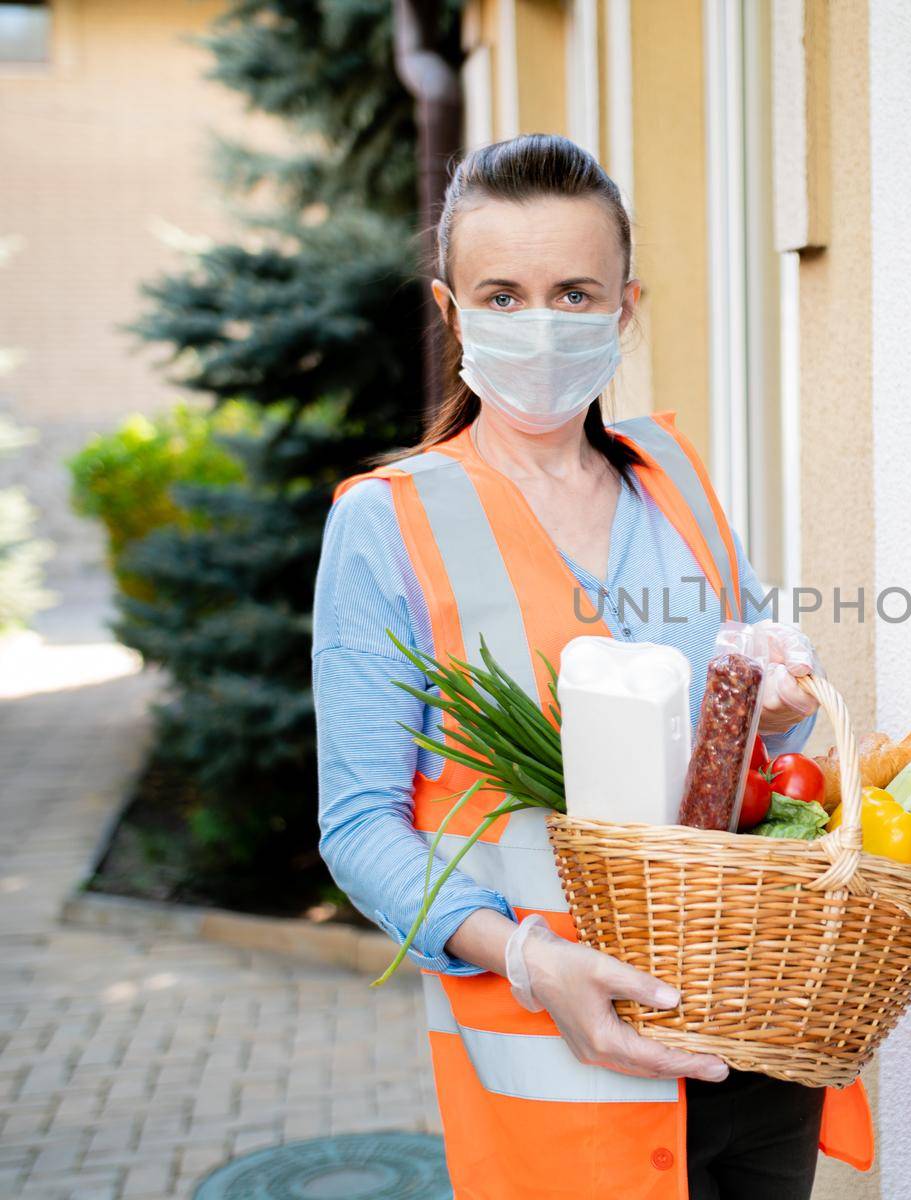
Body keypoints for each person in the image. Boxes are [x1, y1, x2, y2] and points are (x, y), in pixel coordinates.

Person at [311, 133, 872, 1199]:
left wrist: (788, 702)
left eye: (574, 294)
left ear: (625, 307)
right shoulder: (389, 522)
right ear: (452, 312)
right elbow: (358, 824)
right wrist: (524, 957)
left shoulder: (677, 481)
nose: (541, 324)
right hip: (560, 1061)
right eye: (503, 294)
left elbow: (764, 737)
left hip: (753, 1044)